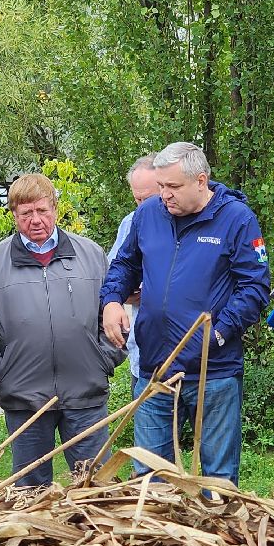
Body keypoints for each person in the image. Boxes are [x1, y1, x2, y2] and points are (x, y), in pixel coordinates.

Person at [101, 141, 269, 484]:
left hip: (214, 373)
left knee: (217, 478)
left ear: (201, 181)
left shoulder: (236, 219)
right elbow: (123, 265)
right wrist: (112, 301)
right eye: (161, 186)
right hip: (154, 372)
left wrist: (216, 335)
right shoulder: (148, 215)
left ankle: (217, 537)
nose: (164, 195)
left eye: (173, 187)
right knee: (149, 476)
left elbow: (254, 289)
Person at [0, 173, 124, 485]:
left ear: (55, 208)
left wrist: (103, 359)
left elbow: (113, 311)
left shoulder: (90, 255)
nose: (35, 220)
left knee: (97, 488)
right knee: (29, 490)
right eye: (26, 213)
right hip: (25, 399)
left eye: (42, 211)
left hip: (85, 393)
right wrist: (2, 373)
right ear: (13, 215)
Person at [107, 155, 160, 397]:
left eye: (147, 199)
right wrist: (120, 294)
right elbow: (113, 274)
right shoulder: (130, 223)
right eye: (136, 198)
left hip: (192, 358)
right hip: (144, 359)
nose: (141, 206)